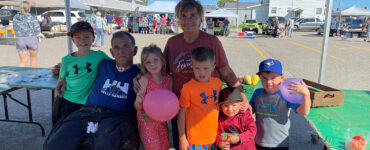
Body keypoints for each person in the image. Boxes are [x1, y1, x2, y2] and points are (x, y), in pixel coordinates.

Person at [162, 1, 252, 149]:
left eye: (193, 16)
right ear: (178, 19)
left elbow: (226, 70)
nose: (188, 20)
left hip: (208, 110)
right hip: (181, 109)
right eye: (183, 16)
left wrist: (243, 98)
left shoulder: (212, 41)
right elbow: (162, 72)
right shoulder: (172, 43)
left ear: (200, 18)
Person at [45, 31, 140, 150]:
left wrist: (144, 69)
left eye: (126, 46)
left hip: (118, 116)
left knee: (103, 144)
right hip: (88, 111)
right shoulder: (103, 63)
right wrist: (60, 70)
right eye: (116, 47)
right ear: (111, 52)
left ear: (135, 50)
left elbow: (159, 68)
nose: (121, 51)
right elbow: (80, 63)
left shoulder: (140, 72)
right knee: (55, 143)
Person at [52, 21, 110, 125]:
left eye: (86, 37)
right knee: (62, 129)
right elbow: (61, 78)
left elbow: (117, 65)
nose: (82, 40)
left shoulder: (100, 56)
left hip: (88, 103)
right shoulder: (66, 60)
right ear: (72, 40)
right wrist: (59, 83)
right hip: (67, 101)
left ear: (93, 38)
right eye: (77, 37)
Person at [250, 59, 311, 150]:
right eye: (264, 78)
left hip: (280, 143)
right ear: (260, 78)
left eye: (273, 77)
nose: (268, 81)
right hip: (259, 141)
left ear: (282, 78)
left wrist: (306, 95)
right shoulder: (257, 93)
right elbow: (249, 111)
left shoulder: (286, 95)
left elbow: (304, 112)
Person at [178, 47, 222, 150]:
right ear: (192, 67)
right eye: (197, 68)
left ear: (213, 67)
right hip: (194, 140)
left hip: (214, 138)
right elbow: (181, 114)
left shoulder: (217, 83)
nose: (201, 73)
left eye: (206, 68)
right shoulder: (187, 88)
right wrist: (182, 138)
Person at [134, 45, 172, 150]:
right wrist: (138, 100)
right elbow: (138, 107)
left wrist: (161, 116)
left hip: (161, 122)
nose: (153, 64)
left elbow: (171, 104)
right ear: (144, 65)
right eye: (148, 62)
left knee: (165, 147)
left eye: (156, 60)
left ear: (162, 60)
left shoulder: (169, 79)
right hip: (147, 123)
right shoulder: (144, 80)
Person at [12, 1, 41, 67]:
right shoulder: (31, 17)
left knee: (23, 60)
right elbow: (37, 29)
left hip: (20, 39)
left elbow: (14, 28)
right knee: (33, 60)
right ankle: (33, 76)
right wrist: (38, 34)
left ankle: (20, 76)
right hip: (31, 38)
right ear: (29, 9)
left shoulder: (15, 17)